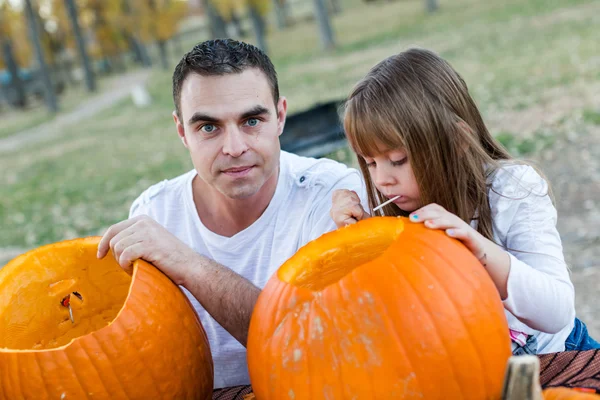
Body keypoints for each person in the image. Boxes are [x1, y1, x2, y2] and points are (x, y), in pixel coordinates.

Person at [96, 39, 367, 391]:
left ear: (281, 116)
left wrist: (189, 265)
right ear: (182, 131)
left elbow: (314, 348)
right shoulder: (155, 212)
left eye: (252, 120)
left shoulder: (333, 197)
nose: (235, 148)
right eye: (208, 127)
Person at [330, 47, 599, 355]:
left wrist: (480, 250)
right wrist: (356, 240)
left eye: (398, 159)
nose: (381, 179)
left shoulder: (509, 190)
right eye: (370, 163)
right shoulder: (387, 202)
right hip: (470, 368)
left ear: (457, 142)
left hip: (557, 354)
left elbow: (556, 311)